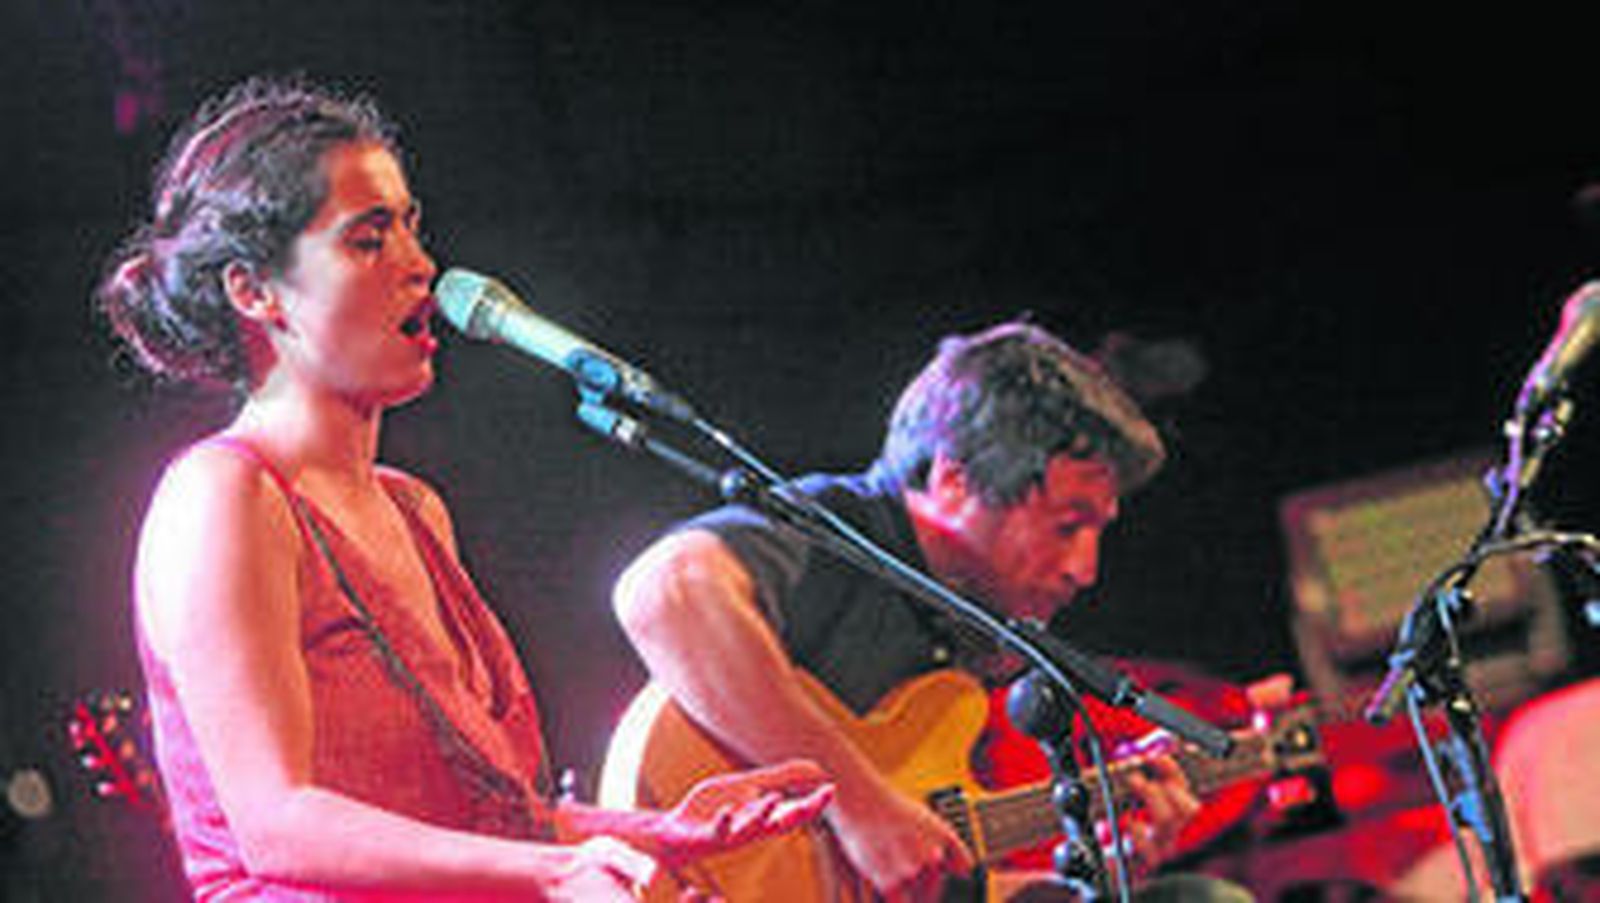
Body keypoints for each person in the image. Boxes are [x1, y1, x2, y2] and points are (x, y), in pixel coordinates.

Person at [96, 74, 832, 901]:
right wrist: (559, 870)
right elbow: (277, 821)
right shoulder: (223, 495)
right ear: (254, 290)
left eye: (412, 227)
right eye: (368, 240)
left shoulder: (414, 508)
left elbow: (479, 823)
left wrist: (656, 832)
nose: (420, 266)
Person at [613, 321, 1254, 901]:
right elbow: (662, 591)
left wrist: (1104, 869)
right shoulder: (841, 533)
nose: (1085, 569)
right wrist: (859, 807)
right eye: (1067, 526)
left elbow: (942, 881)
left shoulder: (973, 634)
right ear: (954, 480)